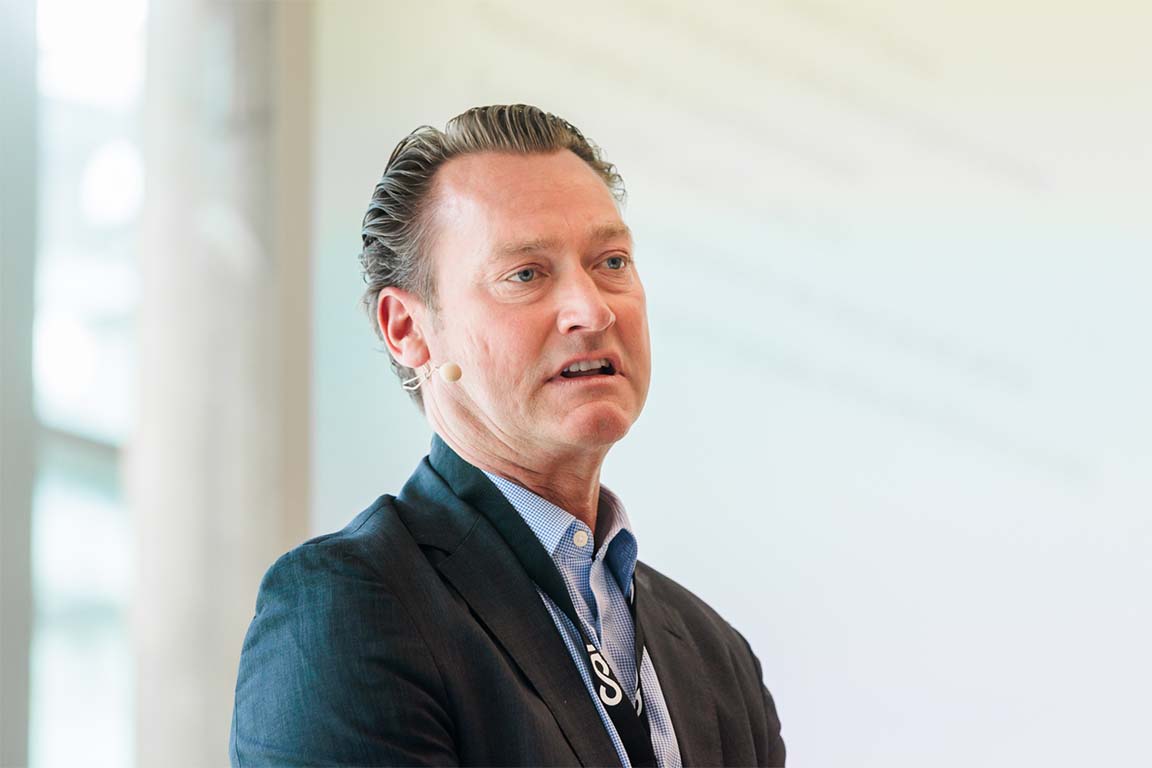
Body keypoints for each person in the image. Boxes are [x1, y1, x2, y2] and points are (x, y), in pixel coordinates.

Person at [229, 104, 785, 767]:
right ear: (408, 330)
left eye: (611, 261)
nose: (592, 310)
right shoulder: (346, 608)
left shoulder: (718, 657)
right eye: (526, 274)